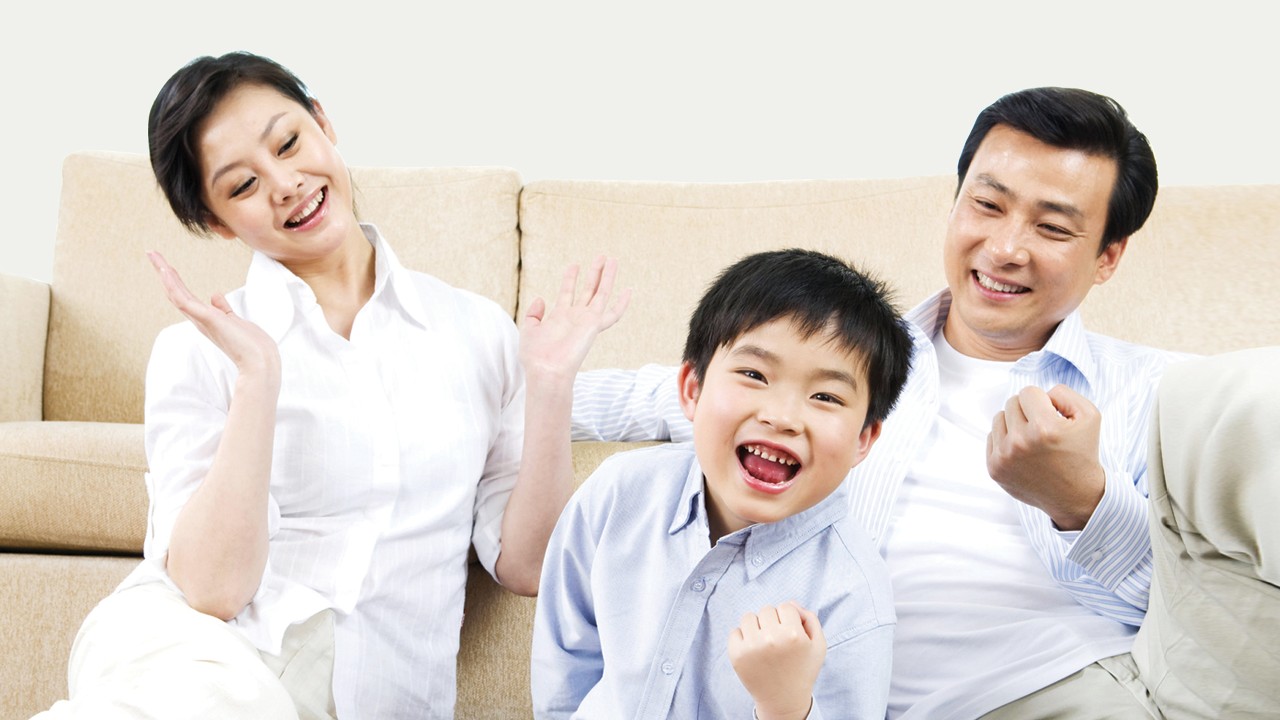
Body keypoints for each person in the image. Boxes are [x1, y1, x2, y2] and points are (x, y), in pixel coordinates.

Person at [36, 51, 626, 720]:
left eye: (289, 142)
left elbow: (530, 566)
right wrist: (258, 383)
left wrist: (549, 388)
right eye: (242, 185)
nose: (285, 183)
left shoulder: (473, 332)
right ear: (217, 222)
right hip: (197, 660)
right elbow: (211, 591)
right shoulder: (197, 353)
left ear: (324, 123)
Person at [571, 87, 1187, 719]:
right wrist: (535, 375)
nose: (1006, 249)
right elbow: (664, 394)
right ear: (954, 206)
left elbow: (1204, 616)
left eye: (1053, 227)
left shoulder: (1167, 395)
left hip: (1045, 692)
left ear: (1107, 256)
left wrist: (1080, 501)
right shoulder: (837, 362)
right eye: (986, 205)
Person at [532, 249, 913, 719]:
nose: (782, 416)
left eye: (826, 396)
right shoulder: (619, 492)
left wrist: (786, 706)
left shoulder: (854, 591)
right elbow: (565, 662)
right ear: (692, 389)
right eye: (754, 374)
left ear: (864, 440)